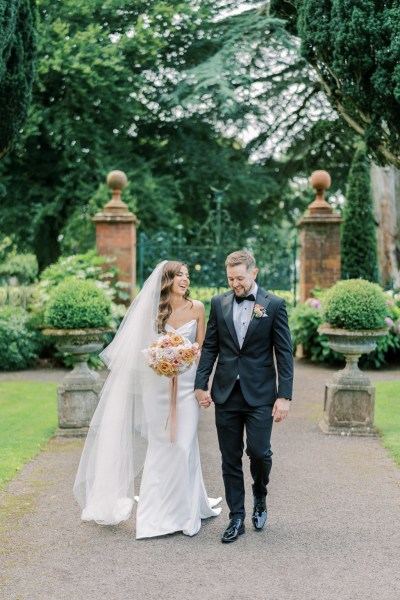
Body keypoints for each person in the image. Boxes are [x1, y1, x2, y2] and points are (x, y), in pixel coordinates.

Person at [74, 260, 221, 539]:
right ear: (167, 280)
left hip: (188, 385)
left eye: (187, 276)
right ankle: (155, 513)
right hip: (157, 386)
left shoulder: (198, 308)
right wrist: (161, 358)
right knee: (162, 444)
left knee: (184, 445)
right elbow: (142, 350)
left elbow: (203, 348)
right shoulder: (153, 310)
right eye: (180, 275)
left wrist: (191, 366)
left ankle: (185, 512)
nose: (185, 280)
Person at [195, 250, 293, 543]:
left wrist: (284, 396)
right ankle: (236, 516)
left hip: (261, 393)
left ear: (254, 273)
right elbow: (211, 346)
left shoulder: (274, 305)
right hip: (226, 393)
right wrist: (201, 384)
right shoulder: (218, 302)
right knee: (229, 457)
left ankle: (260, 496)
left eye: (240, 278)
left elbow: (284, 352)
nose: (235, 284)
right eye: (230, 278)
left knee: (260, 452)